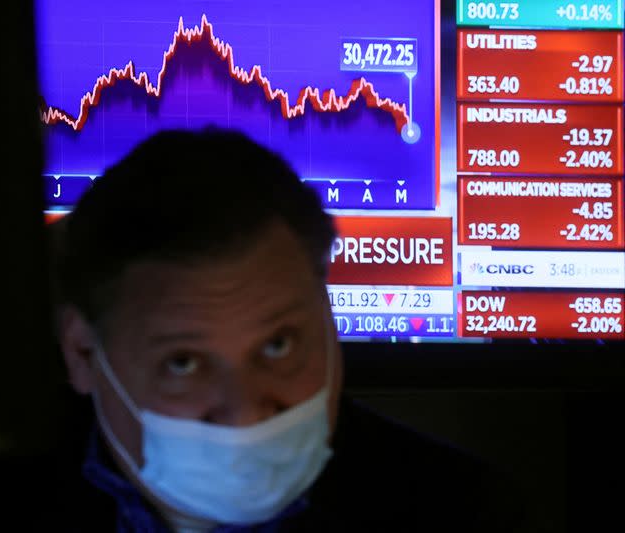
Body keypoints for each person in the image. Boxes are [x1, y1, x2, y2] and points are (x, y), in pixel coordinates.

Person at [49, 128, 536, 532]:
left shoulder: (465, 510)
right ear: (82, 353)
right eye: (183, 363)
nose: (246, 415)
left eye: (278, 345)